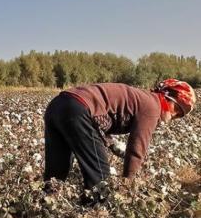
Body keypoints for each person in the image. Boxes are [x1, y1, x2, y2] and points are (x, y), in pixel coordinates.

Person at [43, 79, 196, 201]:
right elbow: (137, 149)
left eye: (180, 115)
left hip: (58, 105)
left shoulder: (142, 98)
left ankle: (45, 209)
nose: (175, 116)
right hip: (78, 109)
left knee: (56, 172)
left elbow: (100, 115)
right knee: (100, 180)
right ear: (167, 97)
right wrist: (127, 183)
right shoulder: (152, 106)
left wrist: (111, 144)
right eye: (178, 109)